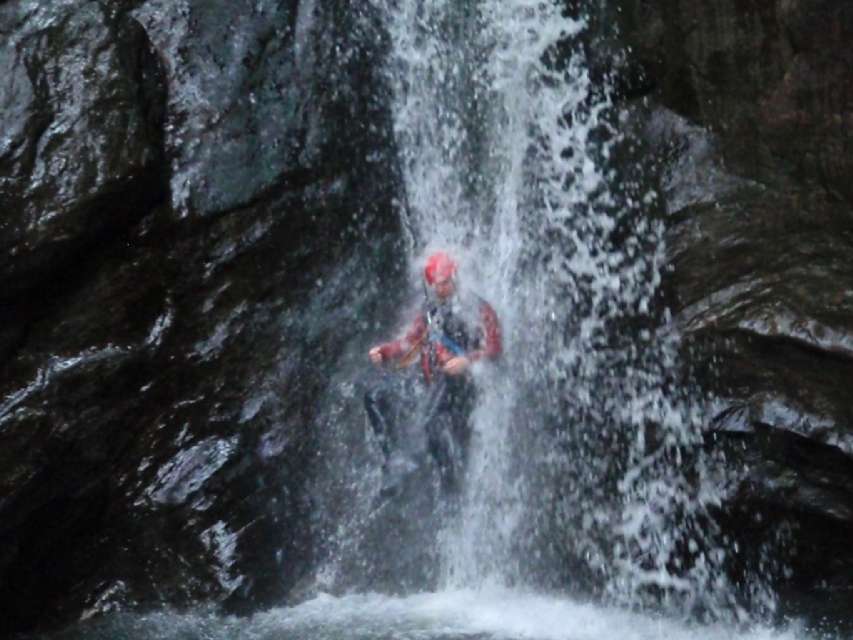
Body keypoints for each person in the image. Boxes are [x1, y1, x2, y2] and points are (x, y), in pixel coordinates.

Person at [365, 251, 501, 492]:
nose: (441, 289)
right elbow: (408, 342)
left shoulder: (478, 309)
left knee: (432, 423)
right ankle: (393, 462)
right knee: (374, 395)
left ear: (456, 278)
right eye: (437, 285)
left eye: (445, 283)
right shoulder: (430, 312)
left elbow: (494, 348)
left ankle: (450, 487)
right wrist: (384, 351)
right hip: (433, 383)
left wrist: (467, 361)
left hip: (461, 385)